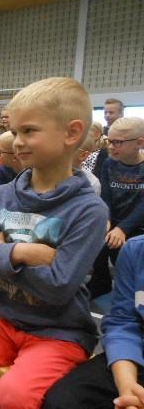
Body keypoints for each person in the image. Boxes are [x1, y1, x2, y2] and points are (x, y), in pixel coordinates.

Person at [0, 77, 109, 409]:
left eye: (29, 131)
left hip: (60, 332)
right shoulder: (3, 195)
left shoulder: (89, 210)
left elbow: (59, 287)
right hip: (3, 320)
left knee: (15, 394)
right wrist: (22, 252)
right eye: (15, 131)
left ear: (71, 133)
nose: (16, 141)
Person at [42, 235, 144, 409]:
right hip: (137, 351)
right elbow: (123, 322)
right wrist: (127, 388)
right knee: (63, 401)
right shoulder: (136, 250)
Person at [87, 116, 144, 299]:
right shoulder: (109, 163)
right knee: (96, 236)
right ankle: (100, 281)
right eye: (109, 141)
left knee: (128, 253)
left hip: (138, 225)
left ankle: (134, 293)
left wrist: (122, 229)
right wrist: (107, 220)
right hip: (115, 220)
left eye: (117, 142)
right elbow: (106, 197)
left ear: (139, 143)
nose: (111, 146)